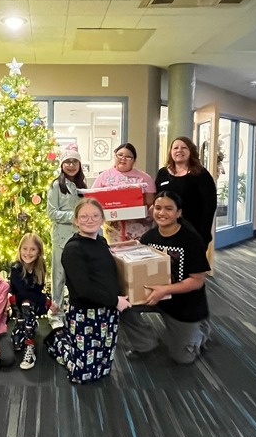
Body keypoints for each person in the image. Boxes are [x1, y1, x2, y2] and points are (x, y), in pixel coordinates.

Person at [118, 190, 211, 365]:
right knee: (119, 305)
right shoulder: (149, 237)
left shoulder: (191, 240)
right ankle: (146, 344)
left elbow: (197, 281)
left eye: (169, 208)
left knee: (182, 358)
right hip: (154, 297)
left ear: (179, 213)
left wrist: (166, 289)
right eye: (158, 208)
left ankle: (201, 329)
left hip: (184, 304)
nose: (162, 213)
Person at [47, 198, 131, 384]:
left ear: (102, 219)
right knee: (82, 375)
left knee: (104, 366)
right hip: (85, 313)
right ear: (76, 220)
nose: (90, 220)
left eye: (95, 216)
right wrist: (116, 301)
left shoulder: (101, 241)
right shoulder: (73, 250)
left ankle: (70, 342)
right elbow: (84, 289)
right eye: (84, 216)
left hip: (108, 310)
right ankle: (58, 341)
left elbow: (106, 275)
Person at [47, 142, 85, 326]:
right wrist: (75, 216)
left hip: (79, 238)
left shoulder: (82, 186)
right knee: (59, 277)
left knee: (76, 275)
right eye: (67, 162)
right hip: (61, 238)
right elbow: (52, 213)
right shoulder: (56, 186)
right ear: (62, 164)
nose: (71, 165)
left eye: (74, 162)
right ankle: (56, 313)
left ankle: (73, 311)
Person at [154, 136, 217, 246]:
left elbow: (209, 206)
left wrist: (203, 234)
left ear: (191, 151)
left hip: (194, 231)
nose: (179, 150)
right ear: (170, 152)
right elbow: (156, 200)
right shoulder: (162, 173)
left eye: (184, 148)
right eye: (175, 148)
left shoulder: (201, 175)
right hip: (166, 230)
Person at [91, 142, 156, 243]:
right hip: (112, 227)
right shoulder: (104, 176)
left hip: (139, 228)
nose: (123, 158)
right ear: (115, 156)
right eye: (120, 155)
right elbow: (93, 199)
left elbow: (150, 202)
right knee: (114, 255)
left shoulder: (145, 178)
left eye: (128, 157)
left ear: (134, 160)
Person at [9, 233, 49, 370]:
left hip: (31, 305)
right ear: (20, 250)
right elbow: (23, 293)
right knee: (16, 344)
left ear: (39, 252)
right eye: (24, 249)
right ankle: (25, 325)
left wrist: (43, 301)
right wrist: (47, 300)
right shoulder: (16, 268)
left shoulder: (40, 267)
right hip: (17, 305)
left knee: (28, 304)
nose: (28, 253)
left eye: (33, 249)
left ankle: (30, 344)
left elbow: (36, 291)